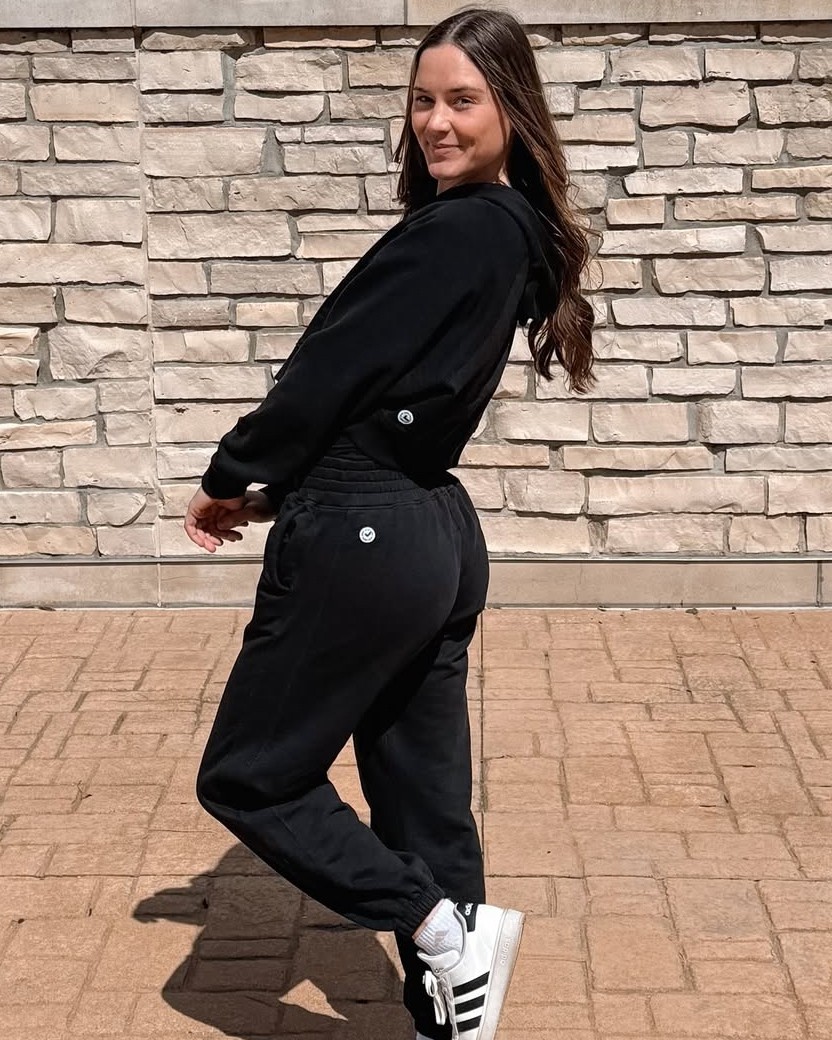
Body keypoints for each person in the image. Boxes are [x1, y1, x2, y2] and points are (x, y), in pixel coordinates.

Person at [183, 6, 596, 1039]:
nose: (436, 122)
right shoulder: (510, 229)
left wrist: (235, 473)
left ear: (513, 109)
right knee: (422, 801)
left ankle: (431, 924)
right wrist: (282, 487)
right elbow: (388, 394)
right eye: (422, 100)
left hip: (367, 534)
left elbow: (330, 373)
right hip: (430, 530)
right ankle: (446, 1016)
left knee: (251, 772)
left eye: (462, 99)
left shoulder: (458, 229)